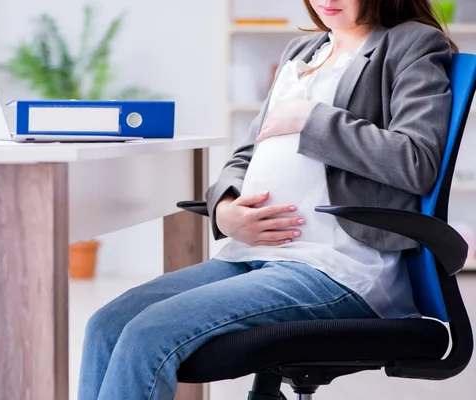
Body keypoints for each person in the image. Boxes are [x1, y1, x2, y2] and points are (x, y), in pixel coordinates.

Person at [78, 0, 456, 399]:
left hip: (336, 266)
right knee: (106, 324)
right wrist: (224, 210)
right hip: (254, 256)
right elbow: (245, 155)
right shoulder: (302, 52)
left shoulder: (410, 44)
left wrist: (311, 119)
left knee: (147, 335)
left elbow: (417, 160)